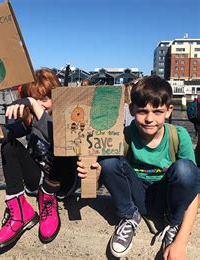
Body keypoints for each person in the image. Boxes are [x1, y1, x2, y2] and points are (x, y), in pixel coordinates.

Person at [77, 75, 199, 258]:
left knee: (187, 170)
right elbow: (104, 179)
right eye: (142, 111)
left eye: (157, 112)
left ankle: (173, 223)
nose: (149, 118)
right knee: (108, 161)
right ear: (131, 109)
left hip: (166, 200)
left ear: (169, 111)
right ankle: (129, 216)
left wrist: (181, 241)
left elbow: (192, 189)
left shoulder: (179, 135)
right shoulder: (123, 135)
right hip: (137, 197)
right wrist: (94, 174)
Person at [0, 69, 77, 251]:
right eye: (34, 99)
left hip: (60, 183)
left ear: (56, 97)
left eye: (44, 99)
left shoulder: (67, 118)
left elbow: (58, 138)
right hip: (37, 180)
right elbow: (2, 135)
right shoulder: (30, 119)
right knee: (9, 146)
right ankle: (20, 211)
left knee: (63, 148)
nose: (40, 105)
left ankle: (48, 200)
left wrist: (34, 105)